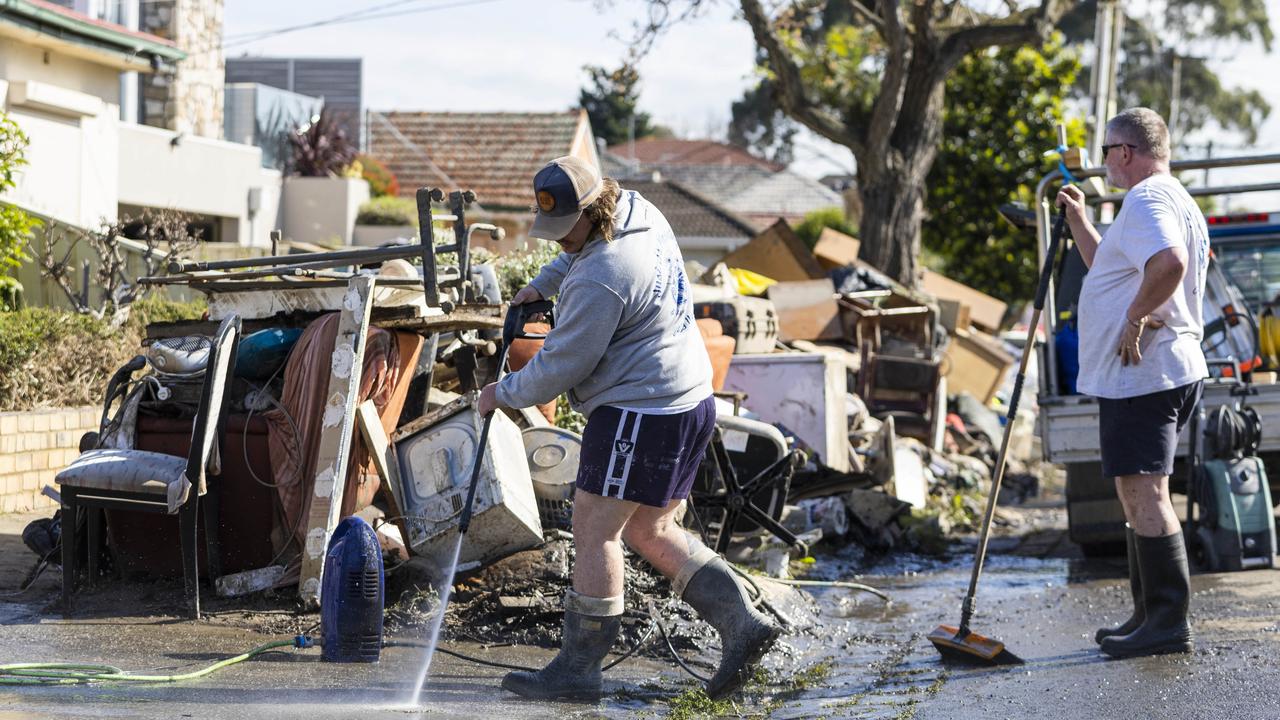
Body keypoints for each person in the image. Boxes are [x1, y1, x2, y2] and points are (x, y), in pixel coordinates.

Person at [477, 156, 781, 700]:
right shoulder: (639, 209)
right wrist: (543, 284)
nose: (560, 243)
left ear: (592, 211)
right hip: (689, 398)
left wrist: (501, 394)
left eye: (564, 233)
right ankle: (743, 625)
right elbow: (576, 258)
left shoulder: (604, 276)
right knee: (651, 530)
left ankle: (578, 671)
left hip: (640, 412)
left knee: (596, 529)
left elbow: (561, 365)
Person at [1056, 107, 1208, 659]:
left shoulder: (1146, 200)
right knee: (1136, 489)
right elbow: (1115, 270)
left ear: (1124, 152)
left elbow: (1169, 263)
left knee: (1145, 490)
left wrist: (1135, 317)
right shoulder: (1169, 198)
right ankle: (1148, 614)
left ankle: (1168, 622)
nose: (1104, 165)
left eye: (1105, 153)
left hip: (1145, 372)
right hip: (1151, 372)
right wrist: (1079, 221)